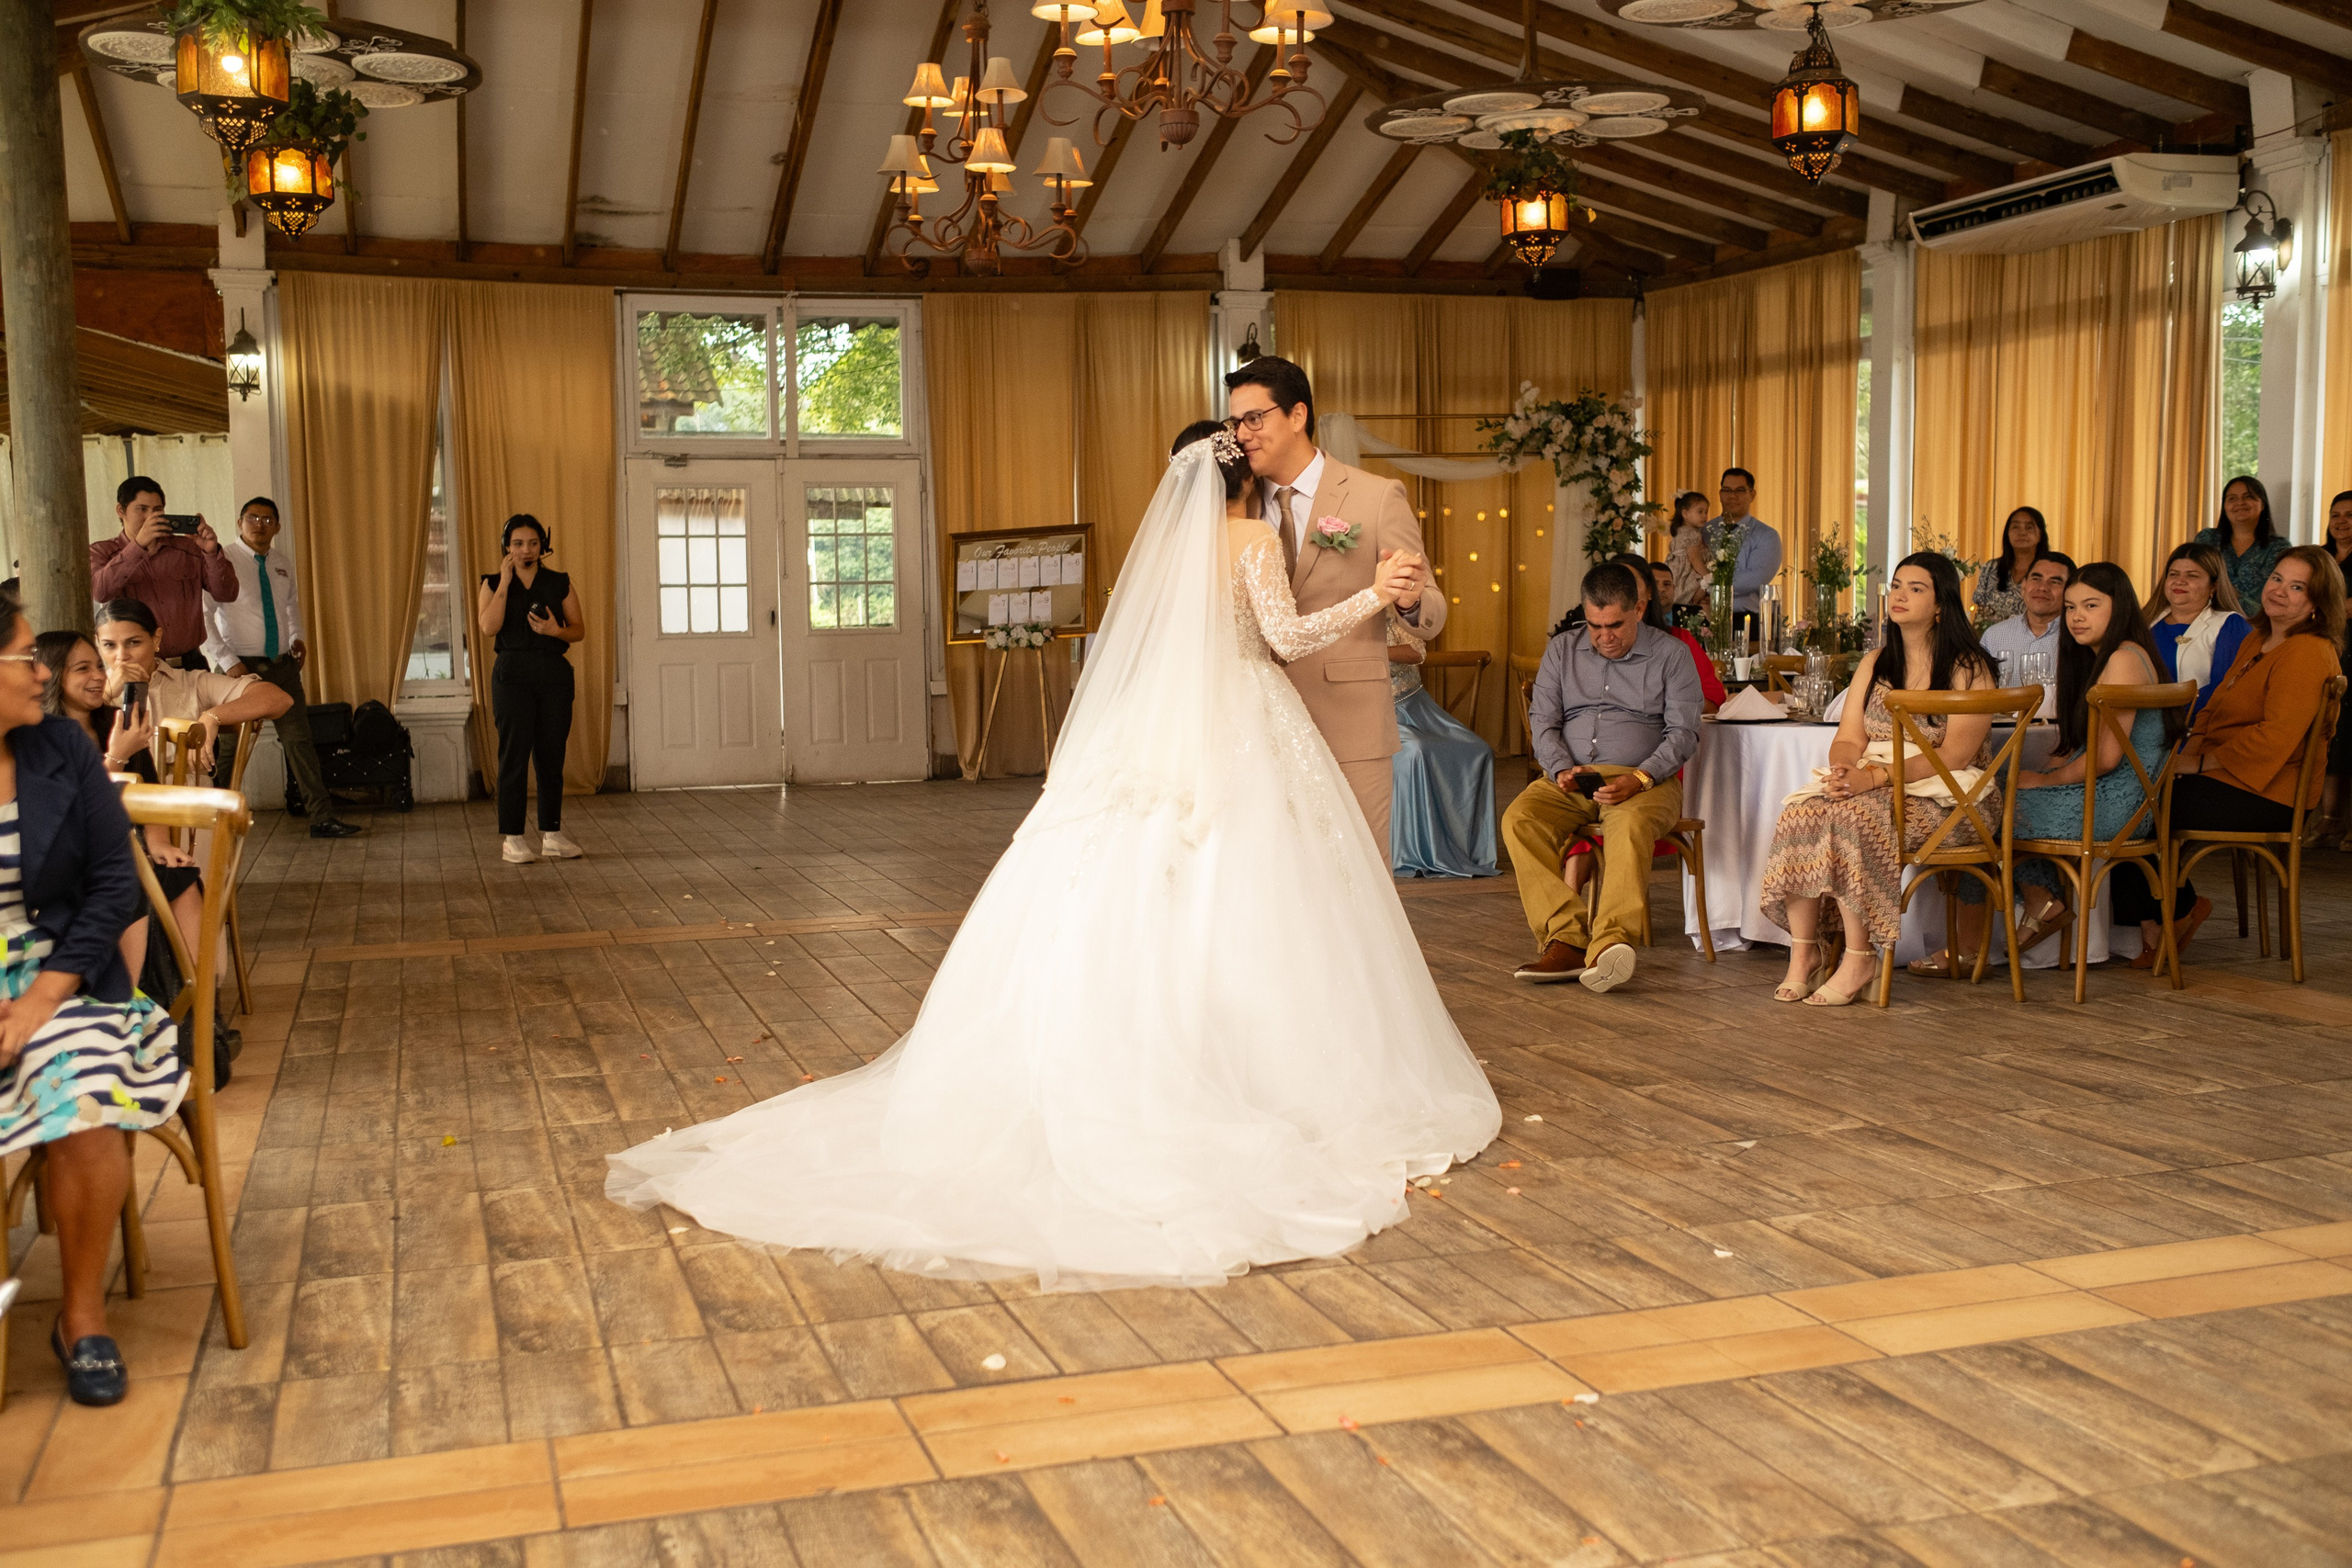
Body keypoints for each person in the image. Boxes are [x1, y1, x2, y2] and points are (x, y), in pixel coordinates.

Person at [603, 426, 1499, 1288]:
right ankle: (1266, 1063)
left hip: (1160, 726)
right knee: (1254, 892)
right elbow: (1291, 638)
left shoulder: (1172, 557)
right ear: (1242, 480)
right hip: (1243, 722)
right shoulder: (1251, 538)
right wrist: (1377, 593)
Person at [0, 592, 183, 1406]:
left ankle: (80, 1314)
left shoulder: (61, 755)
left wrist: (43, 996)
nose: (42, 672)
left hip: (62, 970)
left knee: (86, 1091)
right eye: (26, 657)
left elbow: (114, 887)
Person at [1915, 562, 2185, 976]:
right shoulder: (2111, 656)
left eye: (2091, 606)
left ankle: (1972, 945)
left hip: (2115, 806)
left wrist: (2044, 779)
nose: (2077, 616)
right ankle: (2037, 901)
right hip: (2113, 795)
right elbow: (2089, 747)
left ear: (2120, 607)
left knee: (1976, 810)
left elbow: (2107, 759)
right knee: (1986, 796)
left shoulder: (2124, 660)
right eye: (2072, 606)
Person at [1758, 553, 1997, 1007]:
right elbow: (1849, 737)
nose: (1900, 595)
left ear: (1942, 602)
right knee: (1801, 812)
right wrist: (1846, 769)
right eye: (1897, 585)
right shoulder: (1876, 661)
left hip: (1952, 797)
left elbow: (1955, 755)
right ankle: (1804, 954)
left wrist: (1876, 778)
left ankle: (1859, 957)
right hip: (1878, 779)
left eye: (1916, 588)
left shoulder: (1970, 667)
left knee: (1855, 817)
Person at [1225, 356, 1439, 848]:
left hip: (1350, 721)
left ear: (1297, 415)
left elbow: (1432, 610)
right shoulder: (1236, 503)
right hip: (1258, 729)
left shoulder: (1376, 496)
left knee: (1359, 874)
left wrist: (1407, 601)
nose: (1242, 434)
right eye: (1235, 422)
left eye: (1254, 419)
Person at [2113, 547, 2346, 964]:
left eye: (2298, 587)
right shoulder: (2260, 638)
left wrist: (2198, 764)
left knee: (2133, 807)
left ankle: (2174, 914)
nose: (2280, 592)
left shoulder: (2308, 651)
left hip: (2271, 793)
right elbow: (2213, 709)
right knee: (2127, 796)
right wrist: (2186, 756)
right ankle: (2163, 918)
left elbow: (2276, 738)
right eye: (2277, 579)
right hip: (2229, 776)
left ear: (2317, 601)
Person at [1504, 561, 1701, 995]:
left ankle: (1610, 945)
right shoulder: (1562, 650)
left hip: (1648, 781)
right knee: (1519, 819)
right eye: (1594, 626)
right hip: (1572, 779)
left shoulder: (1672, 655)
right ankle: (1568, 939)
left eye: (1614, 625)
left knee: (1628, 825)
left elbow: (1684, 732)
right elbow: (1543, 720)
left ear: (1640, 609)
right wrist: (1559, 768)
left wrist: (1643, 777)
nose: (1603, 637)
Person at [36, 631, 206, 980]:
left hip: (128, 843)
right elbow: (72, 810)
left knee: (180, 878)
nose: (99, 676)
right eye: (82, 669)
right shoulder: (42, 736)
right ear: (52, 675)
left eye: (99, 665)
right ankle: (131, 1004)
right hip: (75, 857)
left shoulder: (117, 721)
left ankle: (195, 1005)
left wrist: (159, 842)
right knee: (129, 885)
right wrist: (117, 755)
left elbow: (149, 789)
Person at [1560, 552, 1722, 900]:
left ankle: (1603, 932)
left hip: (1658, 767)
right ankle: (1567, 925)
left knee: (1622, 816)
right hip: (1586, 768)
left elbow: (1704, 707)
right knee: (1528, 818)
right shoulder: (1575, 648)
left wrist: (1641, 774)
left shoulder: (1676, 646)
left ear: (1638, 604)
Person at [199, 497, 359, 839]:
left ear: (277, 526)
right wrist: (228, 662)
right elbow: (205, 616)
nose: (260, 524)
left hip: (283, 667)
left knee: (300, 742)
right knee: (229, 749)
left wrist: (298, 637)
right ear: (239, 523)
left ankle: (321, 817)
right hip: (240, 670)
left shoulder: (282, 563)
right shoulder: (222, 561)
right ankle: (215, 822)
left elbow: (290, 607)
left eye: (268, 519)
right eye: (252, 518)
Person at [476, 515, 586, 865]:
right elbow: (488, 627)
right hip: (512, 676)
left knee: (551, 756)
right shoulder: (493, 583)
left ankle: (552, 834)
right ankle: (513, 839)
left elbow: (579, 629)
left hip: (553, 675)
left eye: (534, 543)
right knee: (514, 756)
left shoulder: (559, 582)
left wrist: (556, 630)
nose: (527, 550)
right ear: (507, 546)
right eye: (519, 543)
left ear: (543, 545)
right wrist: (506, 581)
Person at [93, 600, 290, 776]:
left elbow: (279, 699)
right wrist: (108, 691)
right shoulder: (92, 696)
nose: (121, 655)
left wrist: (211, 717)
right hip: (122, 810)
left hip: (190, 808)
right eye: (109, 645)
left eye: (133, 642)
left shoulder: (191, 683)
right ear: (98, 645)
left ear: (156, 639)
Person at [1385, 616, 1498, 880]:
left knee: (1479, 750)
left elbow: (1417, 651)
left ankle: (1469, 851)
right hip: (1377, 711)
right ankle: (1414, 850)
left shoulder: (1392, 608)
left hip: (1419, 707)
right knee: (1416, 752)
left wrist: (1371, 651)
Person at [88, 477, 237, 670]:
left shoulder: (188, 548)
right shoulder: (102, 552)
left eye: (157, 510)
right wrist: (138, 546)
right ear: (121, 510)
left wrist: (211, 552)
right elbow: (100, 591)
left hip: (191, 664)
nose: (151, 517)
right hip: (136, 666)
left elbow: (227, 594)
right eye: (142, 509)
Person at [2143, 541, 2249, 718]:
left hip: (2196, 732)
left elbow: (2224, 690)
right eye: (2173, 574)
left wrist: (2163, 711)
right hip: (2140, 726)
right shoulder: (2145, 622)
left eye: (2192, 576)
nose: (2179, 581)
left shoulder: (2229, 624)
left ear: (2213, 586)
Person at [2194, 474, 2290, 614]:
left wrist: (2224, 592)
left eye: (2248, 497)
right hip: (2207, 620)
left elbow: (2270, 598)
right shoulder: (2207, 539)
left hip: (2257, 626)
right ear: (2225, 506)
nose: (2240, 503)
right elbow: (2196, 584)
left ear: (2262, 504)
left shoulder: (2279, 547)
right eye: (2232, 498)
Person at [1705, 468, 1781, 640]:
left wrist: (1710, 586)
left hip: (1744, 621)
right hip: (1704, 617)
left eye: (1740, 490)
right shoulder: (1706, 531)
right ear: (1720, 493)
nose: (1732, 496)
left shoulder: (1766, 535)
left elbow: (1755, 579)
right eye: (1727, 490)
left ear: (1752, 494)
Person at [2320, 491, 2352, 847]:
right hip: (2328, 652)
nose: (2341, 521)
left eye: (2349, 515)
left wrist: (2329, 606)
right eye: (2335, 514)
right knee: (2332, 735)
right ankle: (2328, 821)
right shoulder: (2322, 557)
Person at [1972, 506, 2050, 626]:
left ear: (2040, 535)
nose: (2022, 532)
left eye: (2029, 527)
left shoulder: (2050, 570)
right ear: (2007, 533)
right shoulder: (1991, 568)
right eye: (2015, 527)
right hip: (1994, 639)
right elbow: (1980, 613)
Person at [1665, 490, 1712, 610]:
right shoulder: (1692, 534)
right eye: (1700, 512)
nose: (1704, 516)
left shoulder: (1681, 531)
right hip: (1686, 574)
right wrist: (1708, 576)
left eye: (1706, 512)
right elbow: (1694, 559)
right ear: (1685, 513)